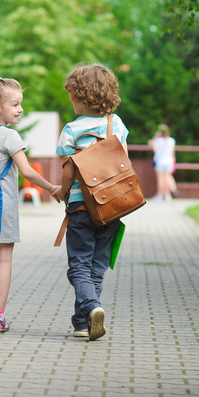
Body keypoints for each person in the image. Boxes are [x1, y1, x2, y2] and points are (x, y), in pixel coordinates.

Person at [0, 73, 60, 333]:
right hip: (3, 208)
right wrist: (52, 188)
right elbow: (27, 172)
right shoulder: (10, 137)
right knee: (3, 260)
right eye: (15, 104)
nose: (21, 109)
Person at [51, 64, 129, 341]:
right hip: (112, 205)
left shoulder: (71, 130)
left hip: (81, 206)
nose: (70, 99)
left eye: (72, 95)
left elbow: (69, 171)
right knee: (96, 265)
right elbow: (122, 161)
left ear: (82, 96)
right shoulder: (116, 124)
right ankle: (82, 323)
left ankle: (92, 307)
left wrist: (62, 191)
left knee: (79, 266)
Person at [148, 124, 177, 201]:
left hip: (160, 161)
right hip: (169, 160)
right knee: (167, 177)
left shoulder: (157, 141)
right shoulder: (172, 140)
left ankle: (160, 195)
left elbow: (150, 143)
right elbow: (173, 152)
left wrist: (155, 136)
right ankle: (167, 195)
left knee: (161, 178)